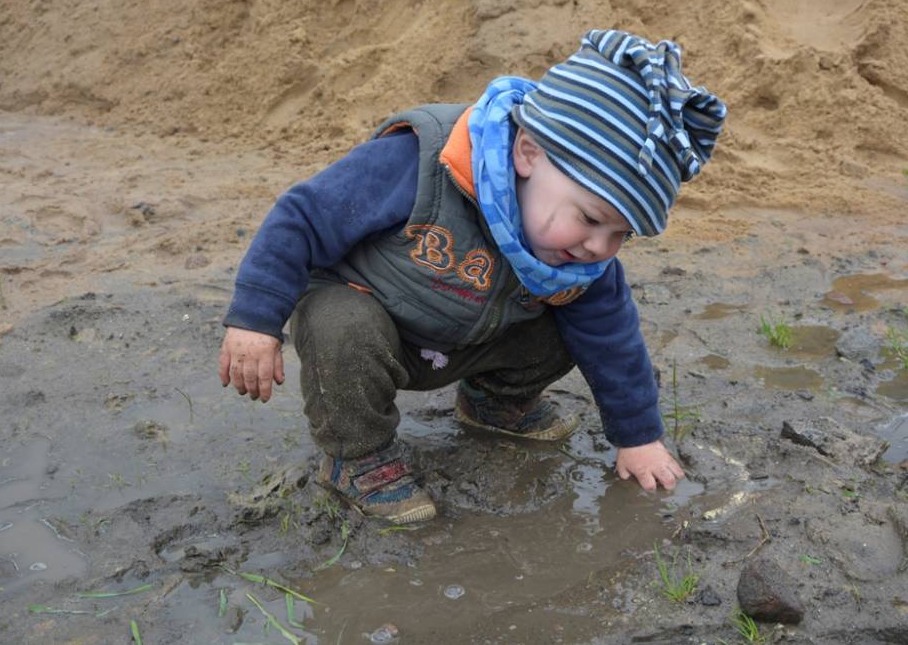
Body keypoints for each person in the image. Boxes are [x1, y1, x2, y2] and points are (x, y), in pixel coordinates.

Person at [218, 29, 727, 524]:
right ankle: (358, 457)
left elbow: (613, 340)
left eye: (623, 234)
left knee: (576, 328)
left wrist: (638, 437)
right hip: (374, 324)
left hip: (466, 341)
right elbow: (304, 217)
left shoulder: (576, 256)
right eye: (592, 219)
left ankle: (493, 404)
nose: (600, 246)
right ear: (528, 152)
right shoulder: (422, 162)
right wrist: (256, 320)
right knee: (340, 325)